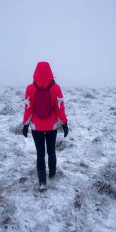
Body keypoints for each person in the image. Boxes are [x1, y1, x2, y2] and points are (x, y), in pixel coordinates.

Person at [22, 61, 69, 191]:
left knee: (40, 154)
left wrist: (25, 125)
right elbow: (60, 109)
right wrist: (64, 124)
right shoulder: (56, 88)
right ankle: (52, 174)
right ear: (50, 72)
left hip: (36, 127)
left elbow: (28, 109)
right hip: (52, 126)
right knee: (51, 151)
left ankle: (42, 182)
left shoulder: (30, 88)